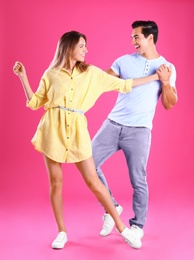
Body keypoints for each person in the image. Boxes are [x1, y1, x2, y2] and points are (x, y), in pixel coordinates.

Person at [13, 30, 168, 250]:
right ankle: (61, 232)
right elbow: (34, 102)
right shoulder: (51, 74)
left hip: (77, 131)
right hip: (51, 131)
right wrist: (23, 76)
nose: (86, 50)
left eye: (86, 46)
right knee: (56, 183)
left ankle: (123, 228)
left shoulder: (92, 74)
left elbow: (125, 84)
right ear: (69, 47)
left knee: (93, 181)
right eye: (82, 46)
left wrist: (156, 77)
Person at [92, 20, 178, 246]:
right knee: (88, 162)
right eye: (132, 37)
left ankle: (137, 225)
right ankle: (111, 208)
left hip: (139, 131)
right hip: (112, 124)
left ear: (150, 38)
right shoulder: (124, 61)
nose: (133, 41)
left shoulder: (167, 68)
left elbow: (169, 104)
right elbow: (103, 82)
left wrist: (166, 82)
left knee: (138, 180)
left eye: (136, 37)